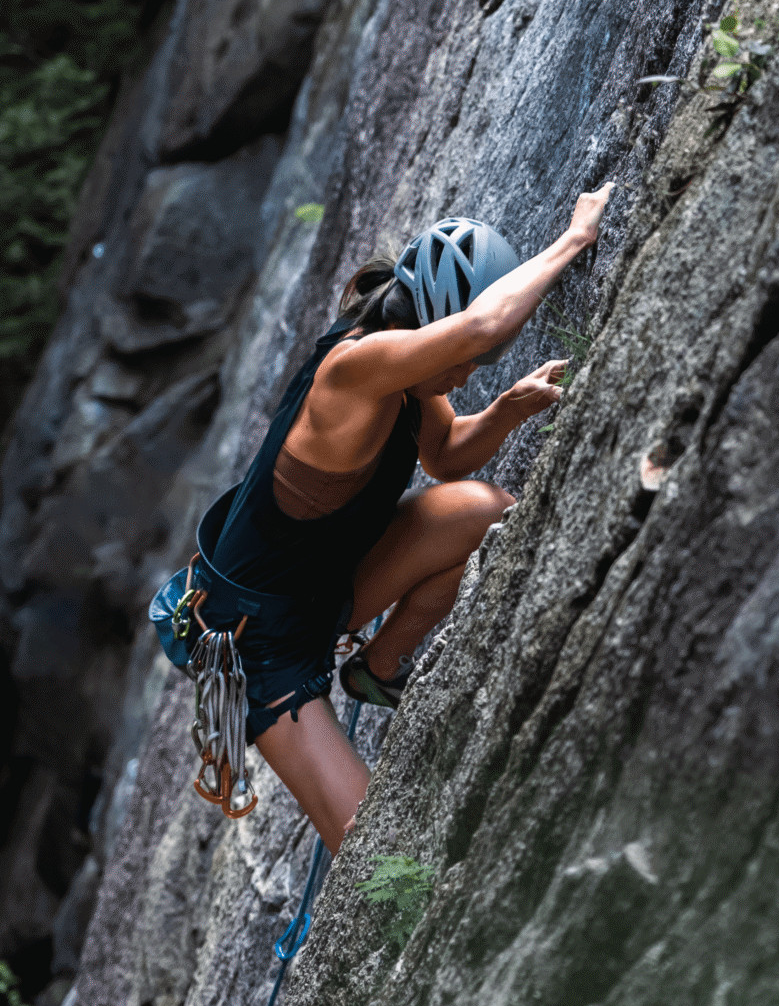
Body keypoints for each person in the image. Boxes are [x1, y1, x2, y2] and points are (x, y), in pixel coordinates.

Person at [204, 183, 614, 855]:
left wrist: (507, 410)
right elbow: (482, 326)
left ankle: (378, 668)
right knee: (381, 861)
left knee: (485, 512)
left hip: (319, 596)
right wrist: (574, 239)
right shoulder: (355, 371)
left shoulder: (401, 371)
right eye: (462, 363)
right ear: (427, 333)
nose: (464, 375)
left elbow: (449, 458)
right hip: (258, 650)